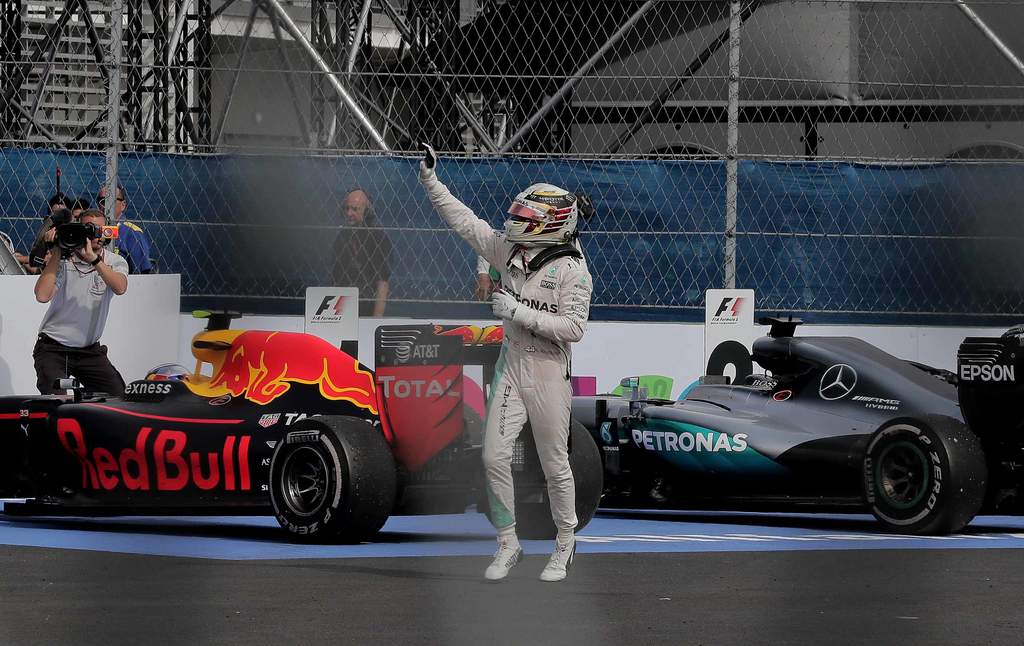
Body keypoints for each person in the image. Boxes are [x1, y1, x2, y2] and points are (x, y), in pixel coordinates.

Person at [418, 145, 593, 583]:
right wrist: (431, 181)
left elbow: (573, 328)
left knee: (554, 463)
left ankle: (565, 541)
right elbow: (466, 223)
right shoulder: (507, 249)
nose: (515, 222)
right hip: (511, 364)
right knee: (493, 455)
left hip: (548, 371)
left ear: (550, 224)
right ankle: (508, 542)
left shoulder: (573, 270)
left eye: (526, 217)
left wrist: (518, 311)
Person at [33, 208, 129, 396]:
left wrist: (94, 259)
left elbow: (120, 287)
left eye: (99, 230)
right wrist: (58, 251)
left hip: (90, 351)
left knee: (118, 397)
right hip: (53, 348)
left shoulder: (114, 261)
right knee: (57, 401)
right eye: (89, 229)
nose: (94, 235)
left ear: (106, 231)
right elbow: (42, 296)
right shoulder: (64, 261)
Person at [331, 188, 392, 317]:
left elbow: (382, 283)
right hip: (343, 308)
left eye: (355, 209)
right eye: (347, 208)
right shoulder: (342, 237)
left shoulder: (378, 238)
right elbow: (335, 279)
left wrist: (375, 321)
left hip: (368, 307)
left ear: (367, 212)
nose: (349, 213)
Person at [97, 183, 154, 274]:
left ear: (123, 205)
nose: (106, 205)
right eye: (102, 201)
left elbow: (140, 273)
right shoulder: (95, 230)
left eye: (110, 200)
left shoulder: (132, 233)